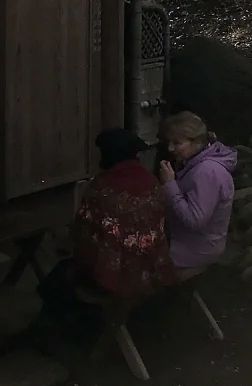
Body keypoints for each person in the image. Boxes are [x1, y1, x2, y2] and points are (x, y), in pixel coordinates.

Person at [72, 129, 175, 299]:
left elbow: (82, 234)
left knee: (60, 280)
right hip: (157, 271)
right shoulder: (151, 181)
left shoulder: (102, 187)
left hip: (118, 282)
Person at [157, 111, 237, 276]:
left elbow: (194, 220)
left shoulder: (207, 172)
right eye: (169, 142)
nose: (170, 148)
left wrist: (170, 185)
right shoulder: (196, 163)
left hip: (196, 249)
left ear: (197, 142)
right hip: (189, 242)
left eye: (177, 143)